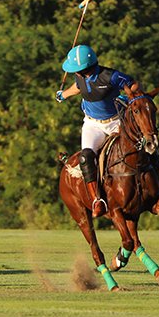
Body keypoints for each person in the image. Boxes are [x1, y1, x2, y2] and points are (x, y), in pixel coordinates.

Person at [55, 44, 135, 217]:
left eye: (76, 69)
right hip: (93, 125)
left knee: (138, 148)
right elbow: (78, 87)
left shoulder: (110, 76)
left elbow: (132, 84)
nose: (74, 72)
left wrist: (128, 96)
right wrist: (63, 95)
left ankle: (157, 187)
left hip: (117, 122)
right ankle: (97, 200)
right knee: (85, 157)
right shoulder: (80, 78)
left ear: (84, 69)